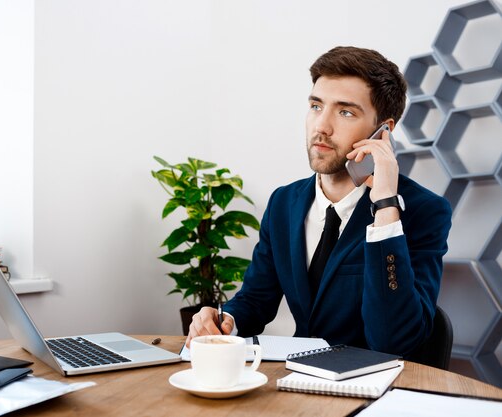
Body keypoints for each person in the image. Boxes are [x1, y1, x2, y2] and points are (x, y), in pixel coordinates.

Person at [186, 46, 452, 356]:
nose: (321, 126)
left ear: (384, 132)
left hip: (379, 388)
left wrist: (384, 206)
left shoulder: (422, 211)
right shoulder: (284, 202)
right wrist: (223, 319)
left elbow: (394, 340)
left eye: (345, 111)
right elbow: (257, 299)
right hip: (299, 380)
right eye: (316, 106)